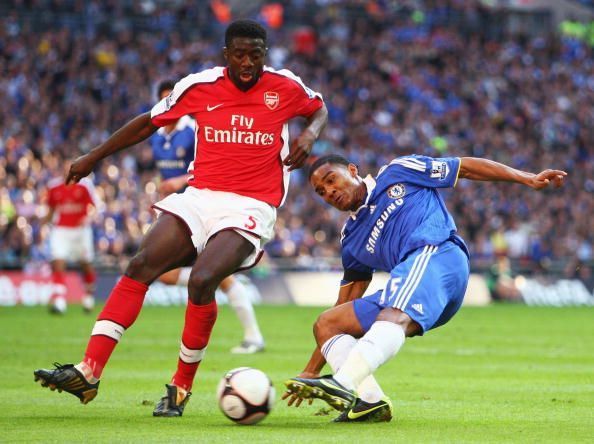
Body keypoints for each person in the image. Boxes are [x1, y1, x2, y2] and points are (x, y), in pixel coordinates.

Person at [33, 19, 328, 417]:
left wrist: (309, 135)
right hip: (200, 196)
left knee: (204, 279)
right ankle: (89, 372)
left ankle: (180, 387)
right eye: (239, 54)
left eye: (255, 55)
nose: (247, 63)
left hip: (251, 205)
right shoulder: (199, 86)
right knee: (140, 264)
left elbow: (319, 108)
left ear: (265, 55)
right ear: (226, 54)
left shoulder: (285, 86)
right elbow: (146, 123)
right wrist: (93, 157)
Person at [283, 154, 566, 422]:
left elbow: (464, 167)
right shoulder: (352, 238)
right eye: (321, 191)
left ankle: (342, 383)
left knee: (394, 309)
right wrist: (311, 370)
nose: (329, 191)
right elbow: (347, 300)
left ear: (353, 170)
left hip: (439, 256)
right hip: (411, 283)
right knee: (327, 324)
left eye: (331, 180)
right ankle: (370, 401)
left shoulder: (397, 172)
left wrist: (526, 177)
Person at [152, 80, 266, 354]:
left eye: (175, 99)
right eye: (168, 100)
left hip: (205, 206)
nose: (174, 106)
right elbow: (163, 177)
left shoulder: (193, 130)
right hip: (178, 207)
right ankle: (209, 279)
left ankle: (254, 336)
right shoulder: (157, 137)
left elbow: (213, 165)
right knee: (163, 273)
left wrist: (179, 182)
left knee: (221, 277)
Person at [42, 166, 100, 314]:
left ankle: (88, 297)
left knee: (85, 264)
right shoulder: (53, 187)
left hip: (81, 231)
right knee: (58, 261)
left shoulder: (85, 185)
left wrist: (87, 217)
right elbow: (51, 210)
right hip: (61, 230)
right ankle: (60, 301)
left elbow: (95, 207)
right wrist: (43, 224)